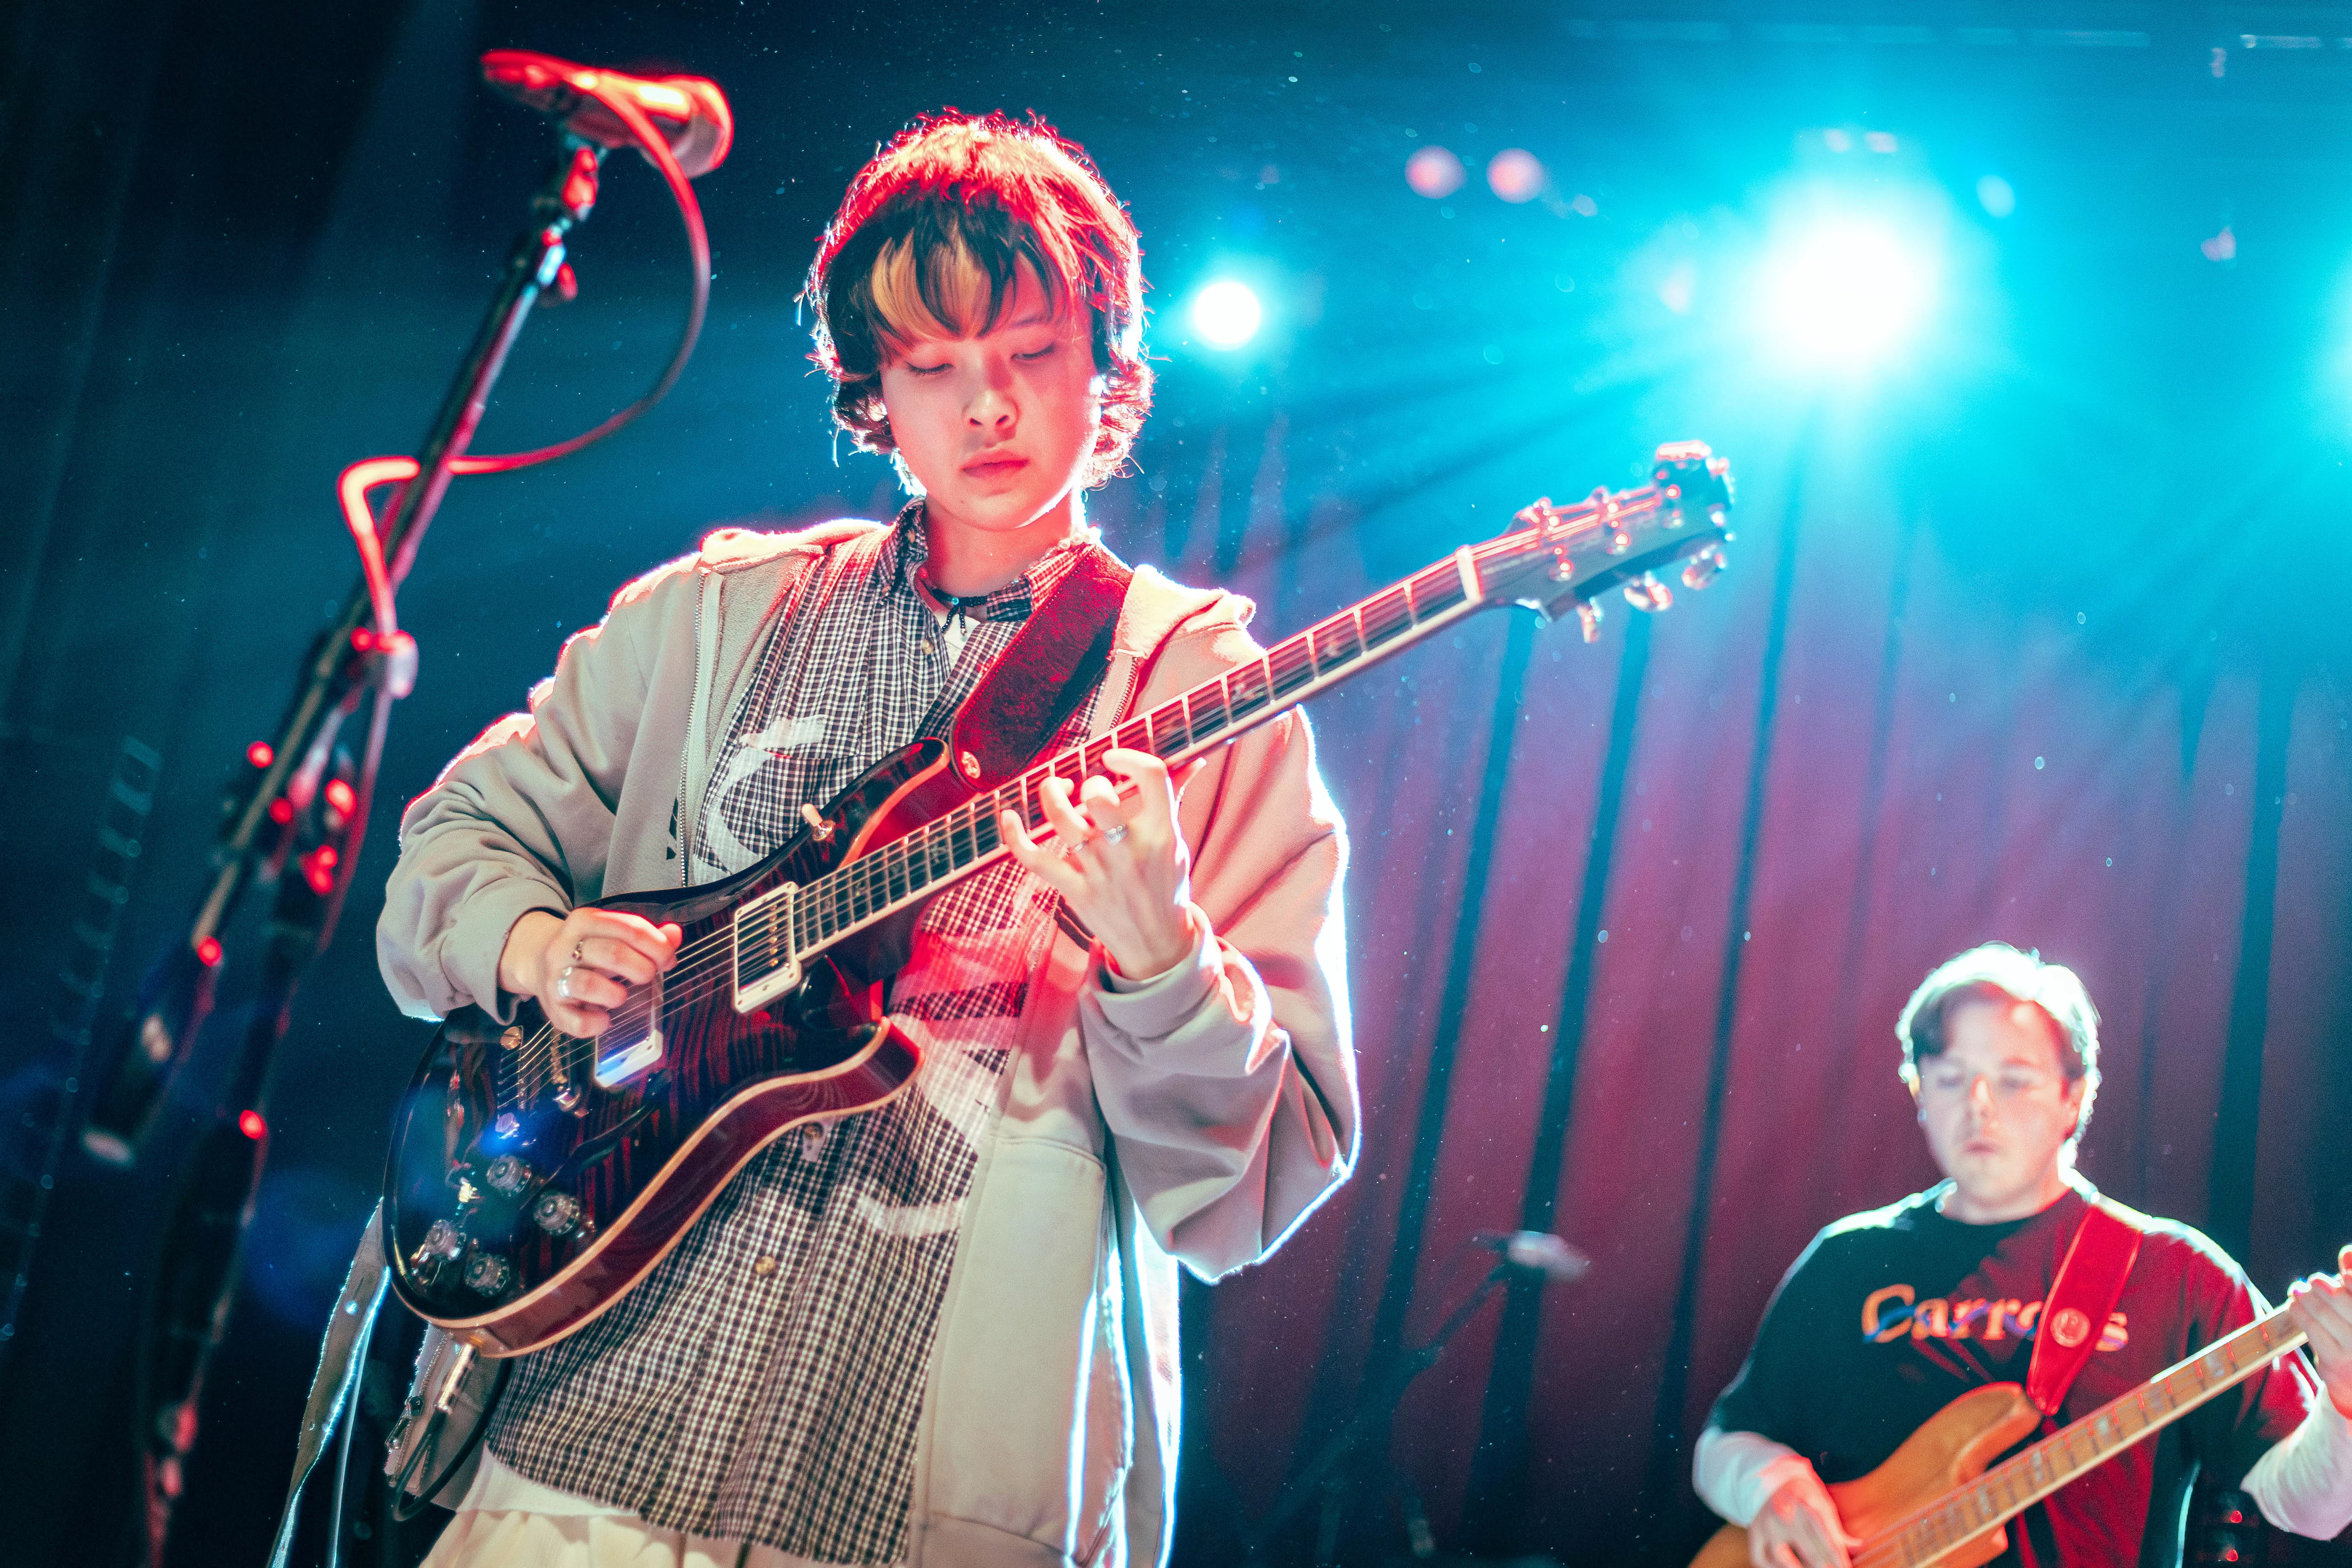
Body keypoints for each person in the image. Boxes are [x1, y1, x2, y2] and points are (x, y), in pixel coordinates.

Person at [375, 112, 1355, 1568]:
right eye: (933, 369)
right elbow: (452, 840)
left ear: (1108, 372)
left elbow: (1248, 1193)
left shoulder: (1201, 702)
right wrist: (533, 939)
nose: (990, 410)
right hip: (573, 1450)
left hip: (902, 1504)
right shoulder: (713, 619)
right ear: (871, 395)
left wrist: (1161, 959)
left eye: (1029, 355)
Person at [1695, 943, 2352, 1568]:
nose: (1978, 1109)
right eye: (1952, 1078)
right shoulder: (1850, 1259)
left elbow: (2315, 1510)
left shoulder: (2174, 1272)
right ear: (1919, 1090)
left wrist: (2346, 1400)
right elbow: (1725, 1440)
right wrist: (1771, 1485)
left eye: (2013, 1082)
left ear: (2075, 1097)